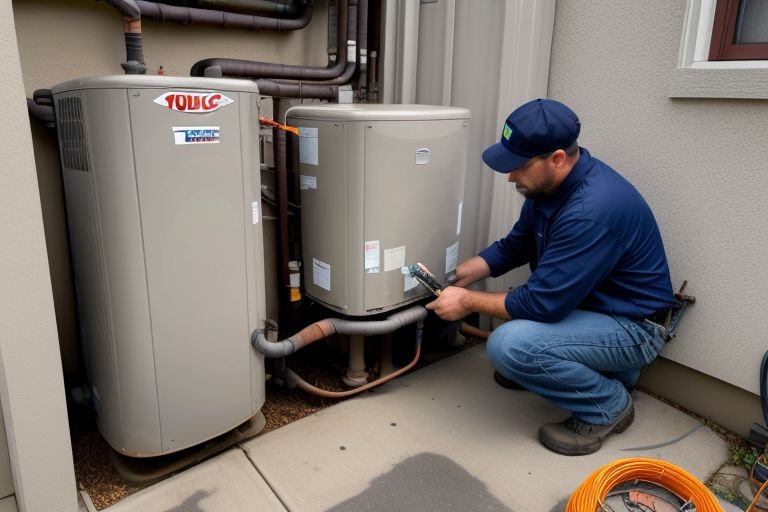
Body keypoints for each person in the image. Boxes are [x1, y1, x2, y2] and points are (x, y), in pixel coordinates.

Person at [426, 98, 674, 456]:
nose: (510, 176)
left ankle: (609, 404)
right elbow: (516, 246)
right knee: (515, 339)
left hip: (633, 328)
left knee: (508, 345)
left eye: (518, 166)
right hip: (591, 309)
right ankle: (599, 372)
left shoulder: (591, 210)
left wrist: (465, 301)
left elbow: (541, 303)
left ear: (557, 158)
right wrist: (461, 273)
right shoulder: (550, 187)